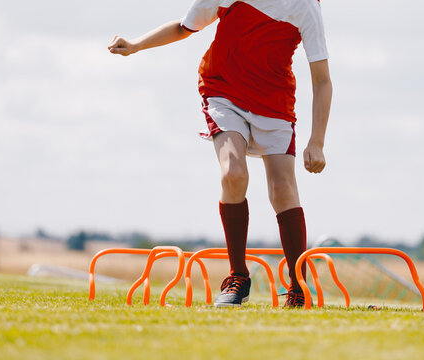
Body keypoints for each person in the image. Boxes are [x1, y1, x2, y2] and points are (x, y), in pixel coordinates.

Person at [108, 0, 332, 308]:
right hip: (224, 91)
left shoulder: (306, 7)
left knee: (283, 190)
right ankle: (238, 276)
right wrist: (135, 45)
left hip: (274, 101)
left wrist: (317, 141)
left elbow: (322, 81)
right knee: (233, 173)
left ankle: (299, 286)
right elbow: (183, 27)